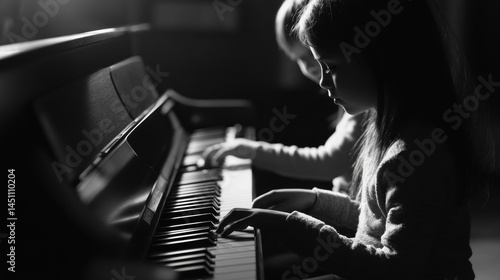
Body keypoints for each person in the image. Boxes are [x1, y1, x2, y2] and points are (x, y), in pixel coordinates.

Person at [216, 0, 497, 279]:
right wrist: (313, 201)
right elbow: (376, 221)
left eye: (331, 66)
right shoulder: (387, 127)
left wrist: (303, 231)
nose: (323, 82)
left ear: (380, 57)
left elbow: (396, 269)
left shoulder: (416, 155)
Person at [200, 0, 364, 195]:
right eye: (298, 59)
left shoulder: (362, 103)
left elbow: (329, 163)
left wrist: (254, 152)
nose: (311, 67)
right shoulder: (351, 97)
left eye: (312, 54)